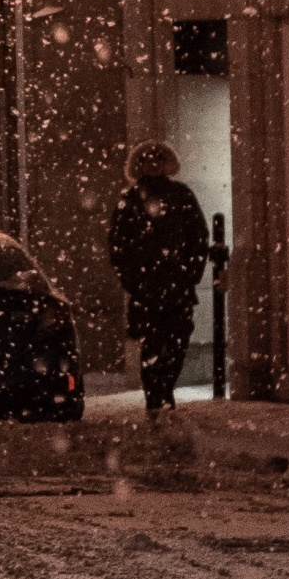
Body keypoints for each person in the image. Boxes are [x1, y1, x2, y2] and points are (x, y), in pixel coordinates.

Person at [108, 140, 209, 418]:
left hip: (175, 286)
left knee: (177, 343)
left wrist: (189, 274)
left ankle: (163, 392)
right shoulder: (130, 200)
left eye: (158, 159)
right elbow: (119, 246)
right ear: (138, 165)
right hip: (148, 289)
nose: (153, 164)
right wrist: (134, 281)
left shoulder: (182, 196)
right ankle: (156, 397)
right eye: (147, 160)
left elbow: (198, 237)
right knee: (153, 345)